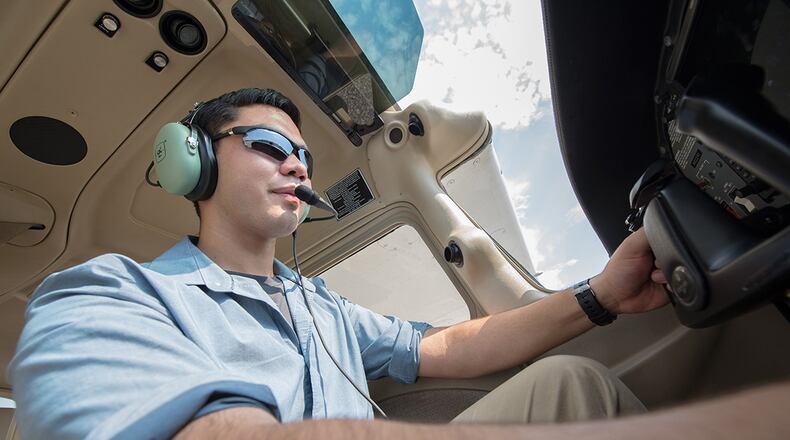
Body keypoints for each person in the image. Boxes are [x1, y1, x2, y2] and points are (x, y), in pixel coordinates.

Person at [7, 87, 769, 440]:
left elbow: (445, 346)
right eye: (269, 146)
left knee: (569, 382)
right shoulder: (108, 294)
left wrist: (597, 297)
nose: (297, 168)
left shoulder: (319, 304)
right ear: (193, 163)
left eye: (303, 157)